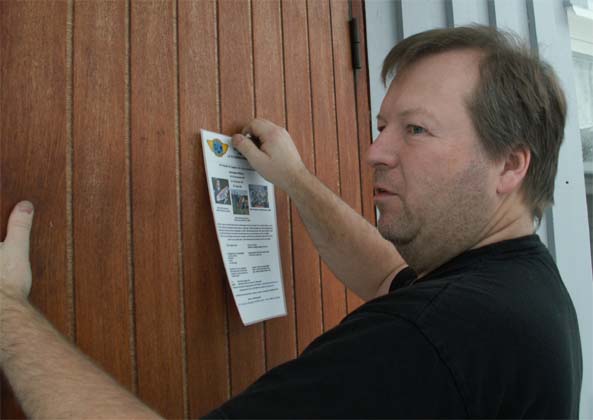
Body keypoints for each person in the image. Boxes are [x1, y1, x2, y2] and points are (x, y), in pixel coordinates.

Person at [0, 25, 582, 419]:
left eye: (416, 129)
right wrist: (294, 179)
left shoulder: (434, 336)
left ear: (510, 164)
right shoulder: (516, 288)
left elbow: (418, 318)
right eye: (382, 126)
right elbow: (387, 275)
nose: (375, 151)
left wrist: (7, 310)